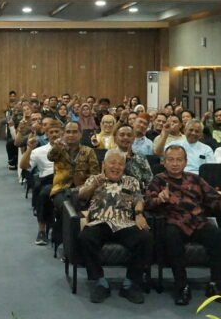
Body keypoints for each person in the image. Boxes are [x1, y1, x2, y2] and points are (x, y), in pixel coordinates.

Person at [146, 145, 221, 306]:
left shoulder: (194, 179)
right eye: (171, 160)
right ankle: (182, 286)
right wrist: (160, 199)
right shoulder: (158, 180)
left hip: (197, 221)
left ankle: (216, 285)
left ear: (185, 162)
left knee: (220, 237)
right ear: (164, 162)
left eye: (179, 160)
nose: (175, 163)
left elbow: (214, 196)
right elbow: (147, 202)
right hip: (173, 221)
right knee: (171, 238)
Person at [77, 150, 152, 304]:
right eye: (112, 162)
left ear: (124, 166)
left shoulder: (131, 181)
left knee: (145, 237)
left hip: (124, 222)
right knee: (85, 237)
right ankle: (99, 282)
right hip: (100, 221)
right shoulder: (94, 179)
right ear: (104, 165)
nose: (116, 166)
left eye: (120, 164)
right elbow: (81, 195)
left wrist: (138, 214)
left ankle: (130, 283)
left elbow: (139, 199)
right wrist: (92, 187)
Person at [47, 122, 101, 245]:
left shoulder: (88, 151)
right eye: (68, 132)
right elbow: (50, 157)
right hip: (61, 189)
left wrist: (84, 184)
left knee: (82, 204)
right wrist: (57, 146)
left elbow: (94, 174)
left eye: (75, 132)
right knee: (65, 206)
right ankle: (64, 240)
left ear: (81, 134)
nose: (71, 135)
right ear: (63, 134)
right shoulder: (59, 149)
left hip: (83, 189)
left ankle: (80, 239)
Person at [22, 119, 60, 245]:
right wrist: (29, 149)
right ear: (47, 135)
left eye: (57, 132)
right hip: (49, 180)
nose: (54, 134)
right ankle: (41, 231)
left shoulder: (70, 149)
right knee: (44, 193)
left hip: (67, 180)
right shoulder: (39, 151)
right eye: (51, 132)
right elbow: (24, 166)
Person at [115, 124, 153, 190]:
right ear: (115, 138)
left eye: (129, 135)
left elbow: (150, 181)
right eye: (122, 135)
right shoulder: (109, 157)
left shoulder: (141, 158)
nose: (126, 137)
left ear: (133, 139)